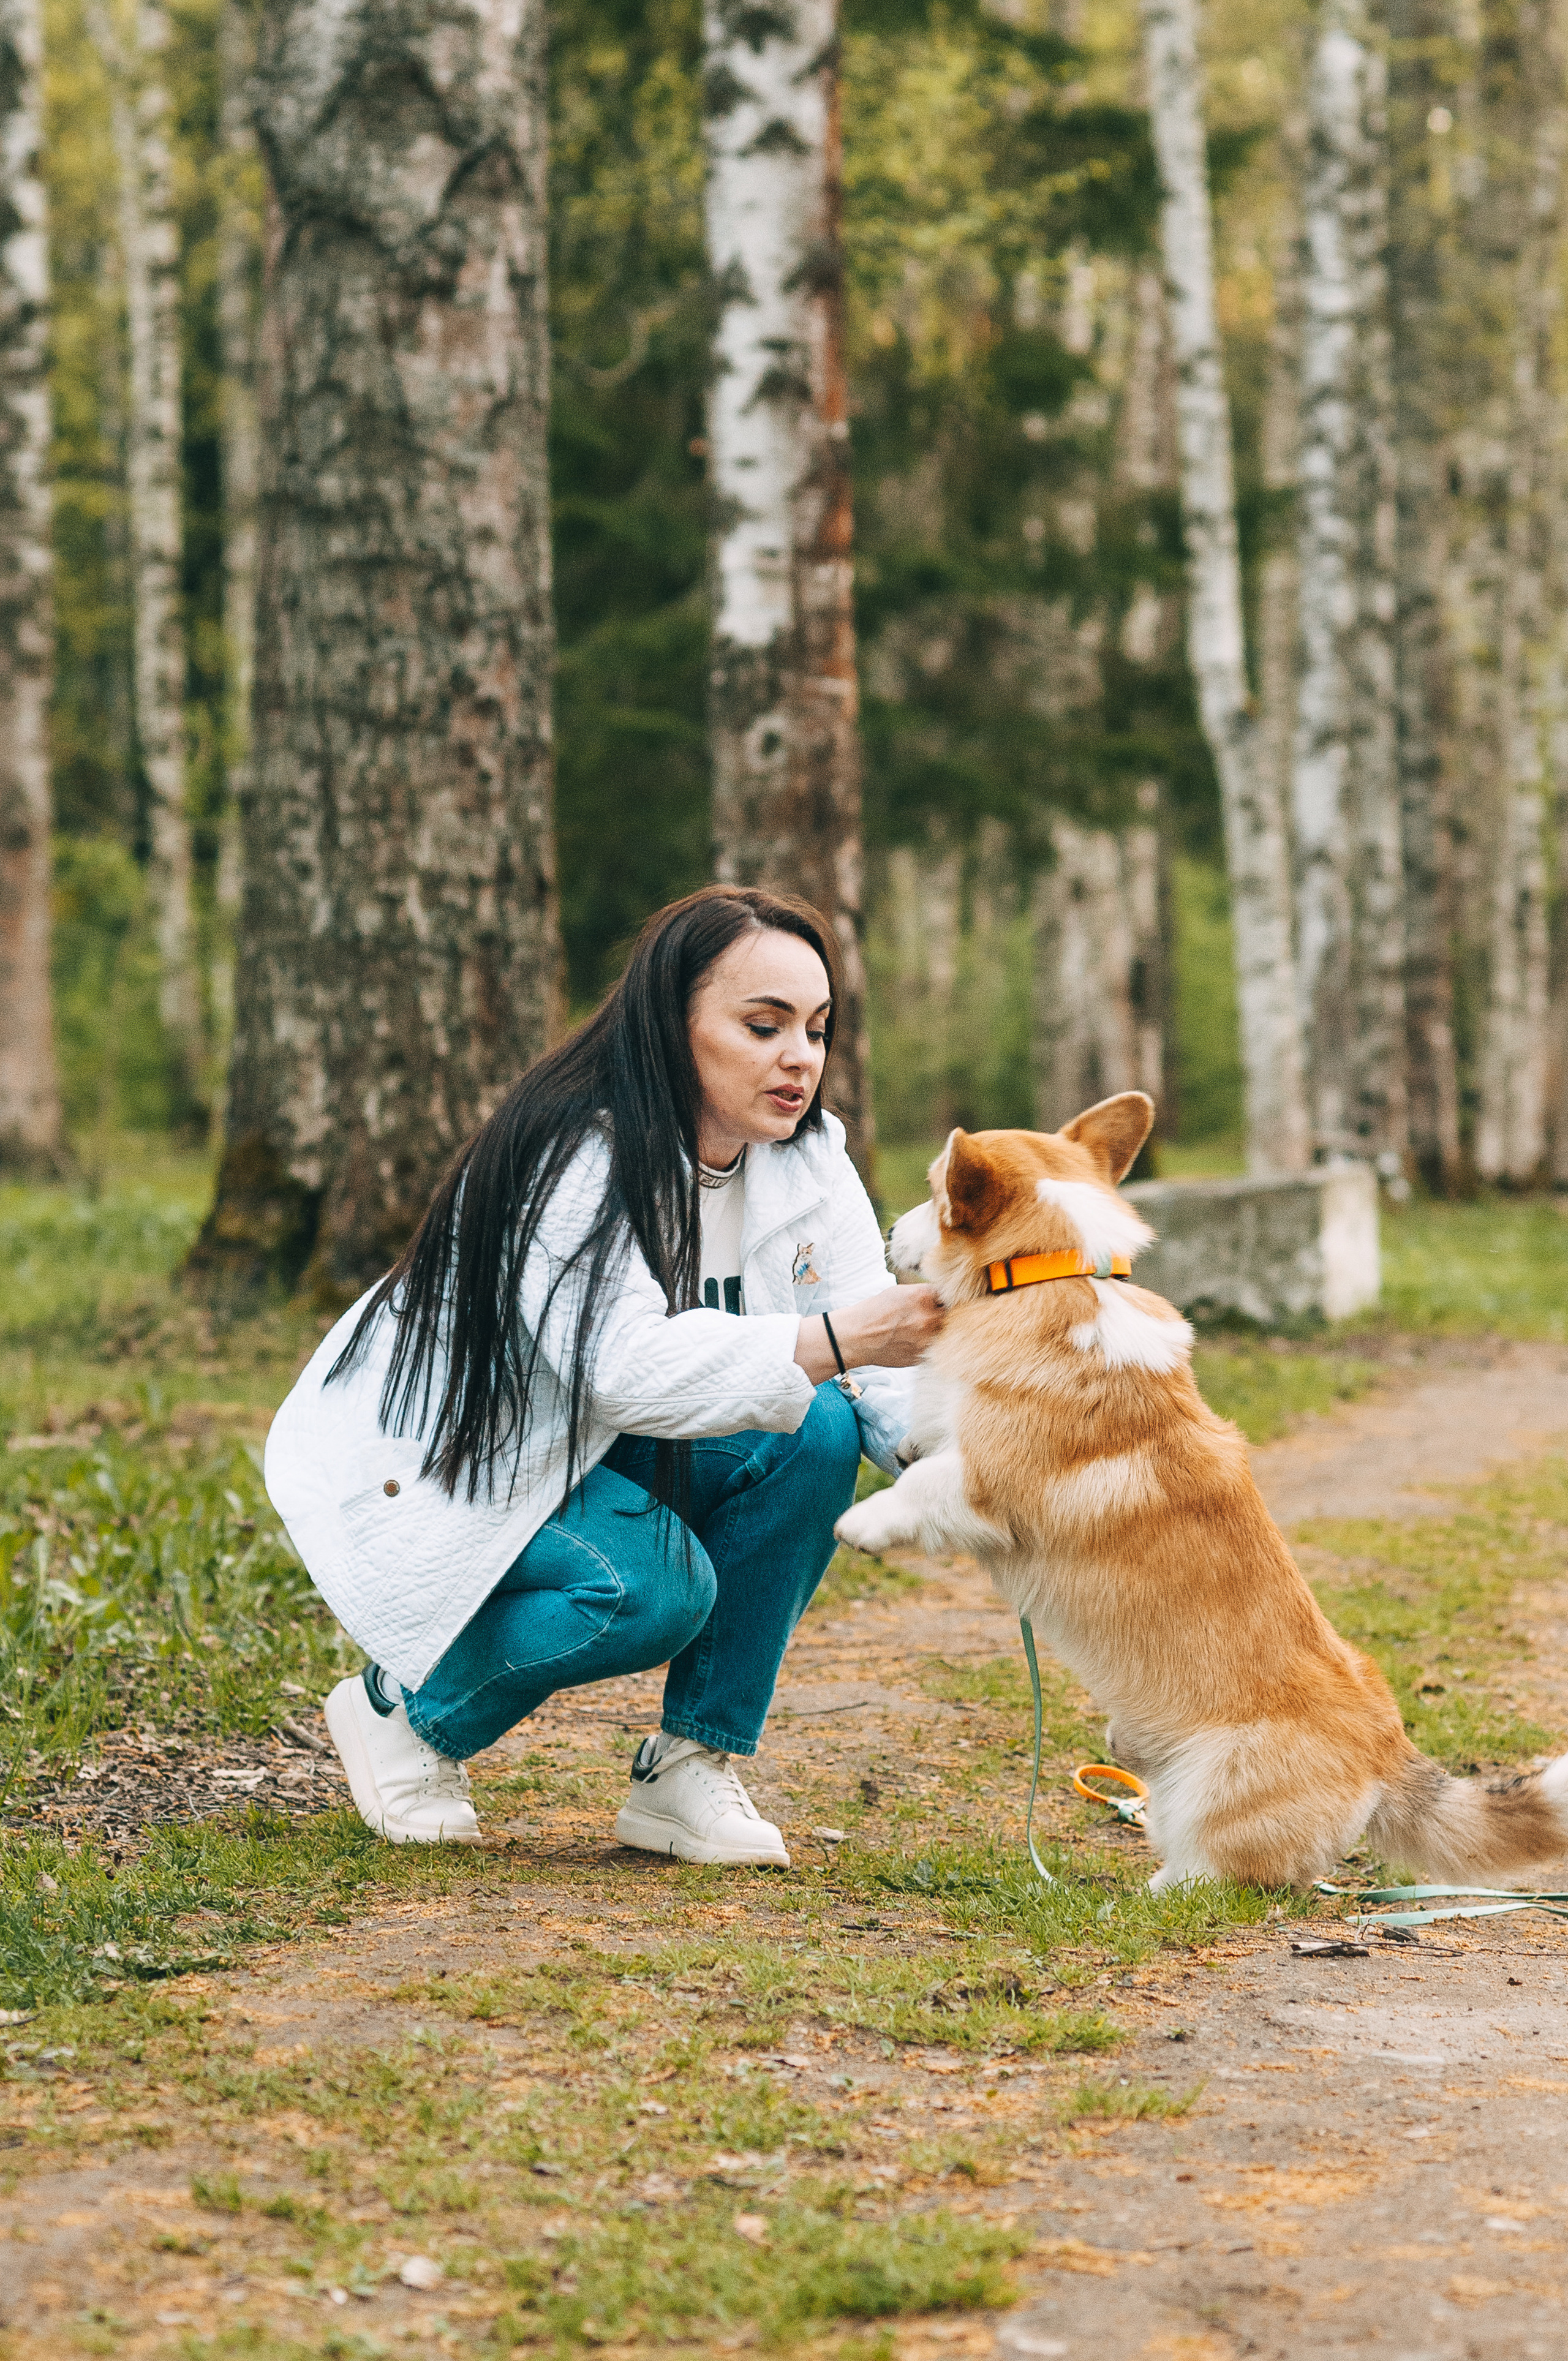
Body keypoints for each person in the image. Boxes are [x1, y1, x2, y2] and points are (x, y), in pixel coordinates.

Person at [264, 886, 943, 1865]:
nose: (800, 1057)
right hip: (476, 1449)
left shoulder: (808, 1160)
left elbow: (871, 1363)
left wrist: (967, 1462)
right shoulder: (578, 1149)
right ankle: (406, 1715)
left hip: (620, 1443)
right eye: (763, 1025)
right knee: (652, 1590)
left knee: (820, 1431)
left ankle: (690, 1768)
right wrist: (835, 1338)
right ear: (674, 1024)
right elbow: (619, 1372)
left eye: (817, 1029)